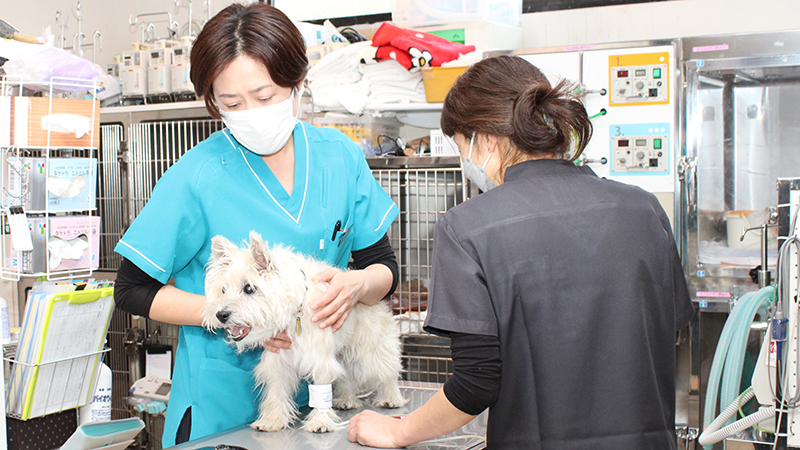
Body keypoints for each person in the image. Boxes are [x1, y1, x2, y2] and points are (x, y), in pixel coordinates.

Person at [347, 55, 694, 449]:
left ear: (487, 139)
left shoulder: (468, 228)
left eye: (462, 147)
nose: (466, 161)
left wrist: (397, 430)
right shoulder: (644, 209)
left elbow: (475, 383)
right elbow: (664, 333)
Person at [112, 3, 399, 446]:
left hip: (321, 403)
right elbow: (132, 289)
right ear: (214, 103)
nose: (251, 112)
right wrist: (235, 317)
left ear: (297, 83)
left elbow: (384, 267)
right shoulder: (196, 175)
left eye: (265, 97)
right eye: (232, 103)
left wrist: (357, 285)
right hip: (218, 409)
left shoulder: (338, 156)